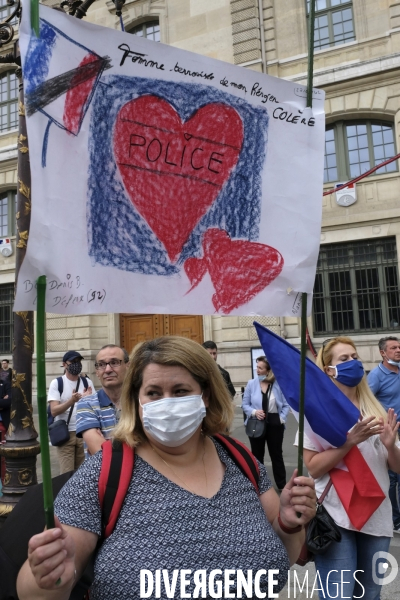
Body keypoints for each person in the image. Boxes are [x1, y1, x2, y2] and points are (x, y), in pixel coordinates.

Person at [17, 336, 316, 600]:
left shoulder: (240, 460)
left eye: (181, 390)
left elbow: (280, 557)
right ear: (137, 399)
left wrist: (289, 524)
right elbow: (39, 591)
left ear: (206, 395)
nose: (168, 402)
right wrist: (48, 577)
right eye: (154, 393)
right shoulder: (104, 471)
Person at [302, 336, 400, 600]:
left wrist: (391, 446)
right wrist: (348, 443)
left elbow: (397, 467)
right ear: (328, 370)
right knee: (339, 595)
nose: (353, 363)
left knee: (370, 594)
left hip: (377, 514)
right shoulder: (315, 412)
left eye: (355, 357)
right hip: (336, 516)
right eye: (344, 359)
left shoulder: (376, 409)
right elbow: (313, 468)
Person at [367, 336, 400, 532]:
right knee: (392, 477)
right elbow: (367, 403)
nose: (398, 350)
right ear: (383, 353)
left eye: (399, 347)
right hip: (389, 433)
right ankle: (394, 519)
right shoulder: (376, 376)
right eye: (394, 348)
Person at [242, 355, 289, 490]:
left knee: (276, 455)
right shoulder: (251, 384)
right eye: (257, 367)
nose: (257, 370)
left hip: (275, 423)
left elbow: (286, 405)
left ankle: (282, 485)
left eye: (260, 368)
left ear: (268, 371)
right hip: (256, 422)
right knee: (257, 456)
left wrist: (282, 418)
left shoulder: (278, 384)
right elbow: (245, 405)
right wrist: (254, 412)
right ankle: (258, 484)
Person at [76, 344, 130, 456]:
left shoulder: (140, 401)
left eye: (114, 362)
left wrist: (108, 445)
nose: (108, 369)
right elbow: (102, 455)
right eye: (101, 365)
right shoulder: (86, 404)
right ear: (97, 371)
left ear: (128, 366)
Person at [48, 351, 94, 474]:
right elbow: (54, 411)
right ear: (64, 364)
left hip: (84, 433)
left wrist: (87, 398)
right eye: (73, 362)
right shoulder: (57, 383)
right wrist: (72, 401)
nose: (77, 364)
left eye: (78, 361)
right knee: (67, 475)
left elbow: (94, 408)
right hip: (66, 435)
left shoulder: (86, 382)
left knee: (83, 474)